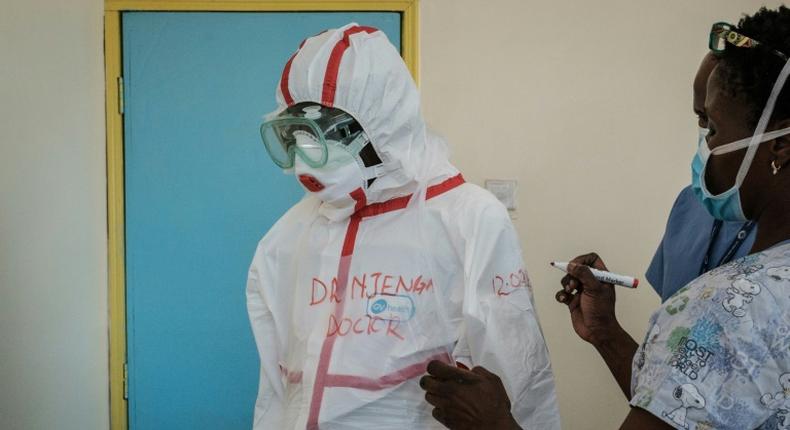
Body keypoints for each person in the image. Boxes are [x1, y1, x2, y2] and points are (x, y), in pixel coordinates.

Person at [420, 6, 790, 429]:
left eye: (713, 131)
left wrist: (494, 422)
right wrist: (605, 333)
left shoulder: (726, 309)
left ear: (780, 144)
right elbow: (694, 397)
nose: (704, 149)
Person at [246, 23, 560, 430]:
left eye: (330, 134)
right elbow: (276, 384)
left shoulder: (466, 219)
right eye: (297, 137)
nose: (306, 162)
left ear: (384, 123)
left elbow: (518, 376)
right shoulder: (292, 234)